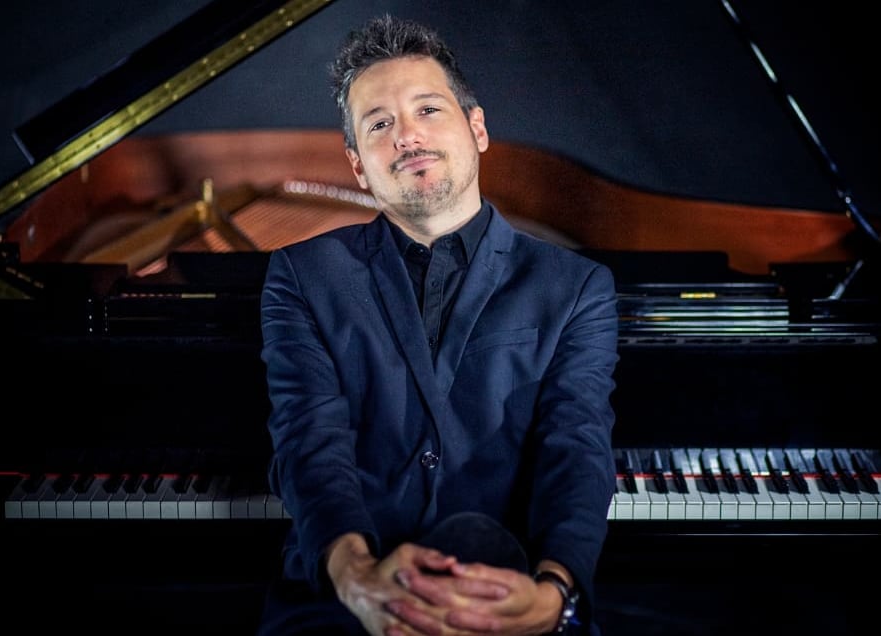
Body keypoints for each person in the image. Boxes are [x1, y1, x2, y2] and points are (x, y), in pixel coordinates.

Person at [257, 14, 619, 636]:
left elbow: (577, 446)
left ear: (476, 128)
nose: (407, 136)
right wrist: (358, 579)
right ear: (357, 165)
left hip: (512, 587)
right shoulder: (301, 275)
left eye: (428, 110)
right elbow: (309, 441)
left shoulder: (576, 287)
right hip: (346, 600)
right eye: (380, 124)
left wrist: (553, 595)